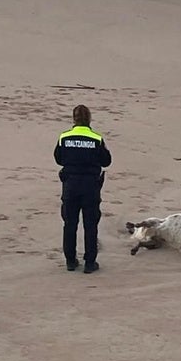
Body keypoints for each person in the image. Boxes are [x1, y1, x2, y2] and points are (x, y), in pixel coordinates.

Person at [54, 105, 112, 273]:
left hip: (70, 185)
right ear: (89, 119)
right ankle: (89, 262)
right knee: (90, 224)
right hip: (90, 186)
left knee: (70, 224)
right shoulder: (96, 138)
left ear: (74, 119)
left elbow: (58, 158)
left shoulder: (64, 137)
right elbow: (106, 161)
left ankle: (71, 261)